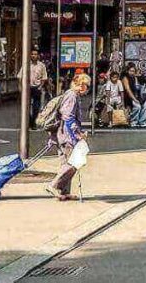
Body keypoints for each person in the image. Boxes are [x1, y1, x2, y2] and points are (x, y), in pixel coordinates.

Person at [47, 73, 90, 201]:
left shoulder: (72, 95)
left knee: (66, 162)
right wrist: (77, 134)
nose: (87, 89)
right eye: (87, 86)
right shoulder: (71, 96)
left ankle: (64, 191)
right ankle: (53, 185)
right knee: (73, 162)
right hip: (67, 135)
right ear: (81, 85)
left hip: (63, 133)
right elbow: (68, 117)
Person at [121, 63, 146, 128]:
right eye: (130, 71)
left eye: (133, 71)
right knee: (137, 106)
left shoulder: (135, 78)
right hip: (128, 97)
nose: (132, 73)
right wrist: (134, 99)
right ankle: (133, 121)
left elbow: (142, 83)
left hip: (137, 96)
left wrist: (138, 76)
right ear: (127, 71)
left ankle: (142, 121)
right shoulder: (125, 78)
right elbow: (128, 90)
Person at [27, 50, 49, 129]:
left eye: (35, 54)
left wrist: (40, 86)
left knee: (36, 106)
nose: (33, 56)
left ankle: (33, 122)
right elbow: (20, 76)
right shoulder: (26, 64)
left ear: (38, 56)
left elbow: (44, 77)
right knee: (26, 106)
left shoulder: (41, 65)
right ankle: (29, 121)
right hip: (28, 87)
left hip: (37, 87)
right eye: (32, 54)